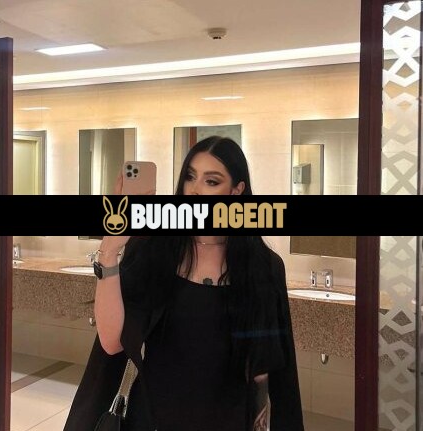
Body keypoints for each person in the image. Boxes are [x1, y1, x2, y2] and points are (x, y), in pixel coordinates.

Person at [64, 136, 304, 431]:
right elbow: (112, 342)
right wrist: (110, 250)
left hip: (227, 421)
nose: (195, 189)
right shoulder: (154, 249)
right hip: (153, 418)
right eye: (190, 176)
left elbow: (266, 370)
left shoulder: (262, 267)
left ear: (237, 190)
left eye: (211, 181)